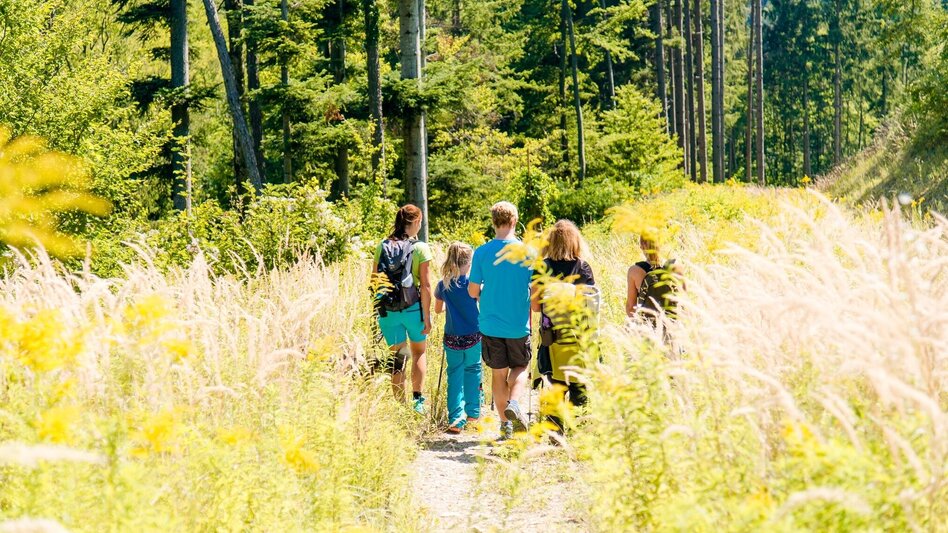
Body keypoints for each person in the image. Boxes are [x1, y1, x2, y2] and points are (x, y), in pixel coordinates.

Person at [469, 201, 534, 441]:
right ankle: (514, 404)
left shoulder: (482, 252)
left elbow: (473, 291)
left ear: (493, 222)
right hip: (518, 324)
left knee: (498, 375)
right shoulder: (528, 252)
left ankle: (505, 426)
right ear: (515, 221)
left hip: (489, 324)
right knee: (521, 367)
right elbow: (536, 289)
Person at [531, 220, 596, 426]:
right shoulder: (582, 267)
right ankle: (580, 431)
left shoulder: (543, 267)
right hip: (578, 337)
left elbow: (535, 307)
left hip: (552, 338)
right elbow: (592, 306)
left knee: (555, 384)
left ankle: (554, 432)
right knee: (579, 385)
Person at [372, 205, 433, 413]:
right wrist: (427, 316)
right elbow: (425, 286)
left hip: (388, 311)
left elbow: (374, 281)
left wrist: (378, 310)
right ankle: (417, 401)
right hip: (412, 309)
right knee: (418, 352)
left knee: (398, 358)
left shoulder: (382, 246)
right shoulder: (421, 248)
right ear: (415, 222)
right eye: (420, 222)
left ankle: (400, 408)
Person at [434, 242, 482, 434]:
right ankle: (473, 413)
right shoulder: (473, 284)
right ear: (469, 263)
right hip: (474, 335)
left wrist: (449, 306)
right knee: (473, 369)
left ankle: (455, 419)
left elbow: (438, 310)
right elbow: (482, 305)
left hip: (452, 337)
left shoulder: (443, 285)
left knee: (454, 373)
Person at [626, 236, 684, 322]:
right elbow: (684, 300)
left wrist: (636, 327)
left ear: (641, 246)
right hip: (674, 323)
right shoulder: (675, 266)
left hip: (648, 325)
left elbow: (631, 307)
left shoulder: (634, 271)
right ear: (660, 244)